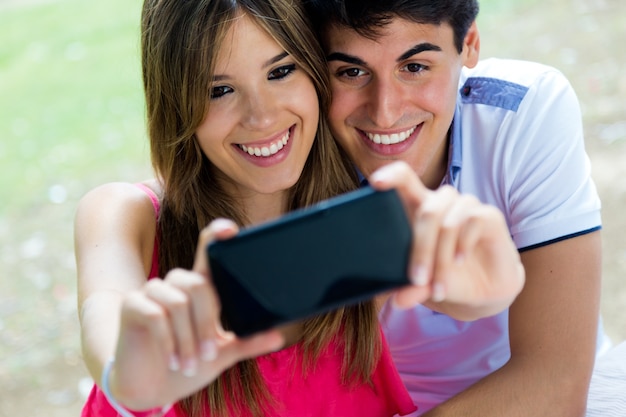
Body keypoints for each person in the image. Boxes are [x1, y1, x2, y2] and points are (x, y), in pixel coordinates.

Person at [75, 0, 524, 416]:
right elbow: (106, 313)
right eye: (219, 90)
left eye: (280, 71)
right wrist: (130, 379)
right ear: (176, 103)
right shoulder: (125, 214)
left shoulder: (355, 217)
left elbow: (462, 291)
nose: (262, 117)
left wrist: (497, 287)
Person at [304, 0, 606, 416]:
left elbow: (556, 382)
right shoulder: (293, 149)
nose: (385, 111)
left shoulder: (525, 110)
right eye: (352, 72)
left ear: (469, 46)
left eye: (415, 67)